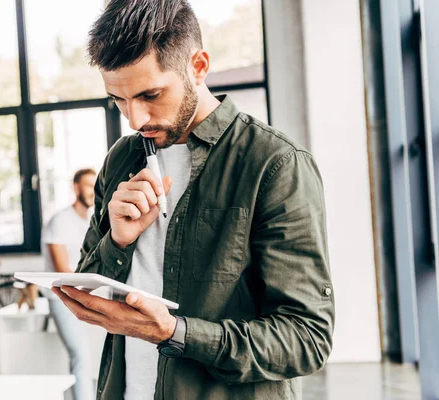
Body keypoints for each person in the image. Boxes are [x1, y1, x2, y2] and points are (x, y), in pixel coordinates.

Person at [52, 1, 335, 399]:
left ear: (198, 66)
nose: (134, 119)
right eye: (118, 99)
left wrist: (173, 332)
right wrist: (117, 241)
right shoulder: (121, 159)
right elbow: (89, 284)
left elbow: (307, 339)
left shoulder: (274, 164)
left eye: (151, 94)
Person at [41, 168, 97, 400]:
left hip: (86, 295)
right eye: (88, 186)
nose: (93, 192)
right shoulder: (60, 221)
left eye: (96, 186)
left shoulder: (93, 220)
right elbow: (63, 272)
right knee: (81, 356)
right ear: (76, 188)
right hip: (62, 299)